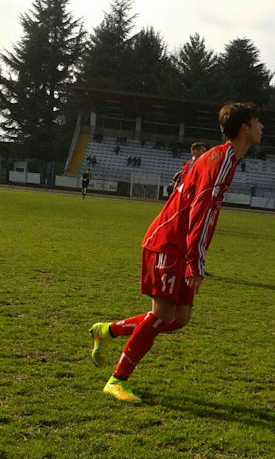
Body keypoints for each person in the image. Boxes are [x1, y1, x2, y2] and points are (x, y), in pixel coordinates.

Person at [89, 102, 263, 403]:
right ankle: (117, 380)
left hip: (181, 246)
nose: (262, 127)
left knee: (179, 318)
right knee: (161, 314)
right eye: (258, 121)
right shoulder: (220, 160)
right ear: (245, 128)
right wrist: (195, 264)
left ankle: (108, 330)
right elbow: (200, 211)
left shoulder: (226, 159)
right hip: (169, 243)